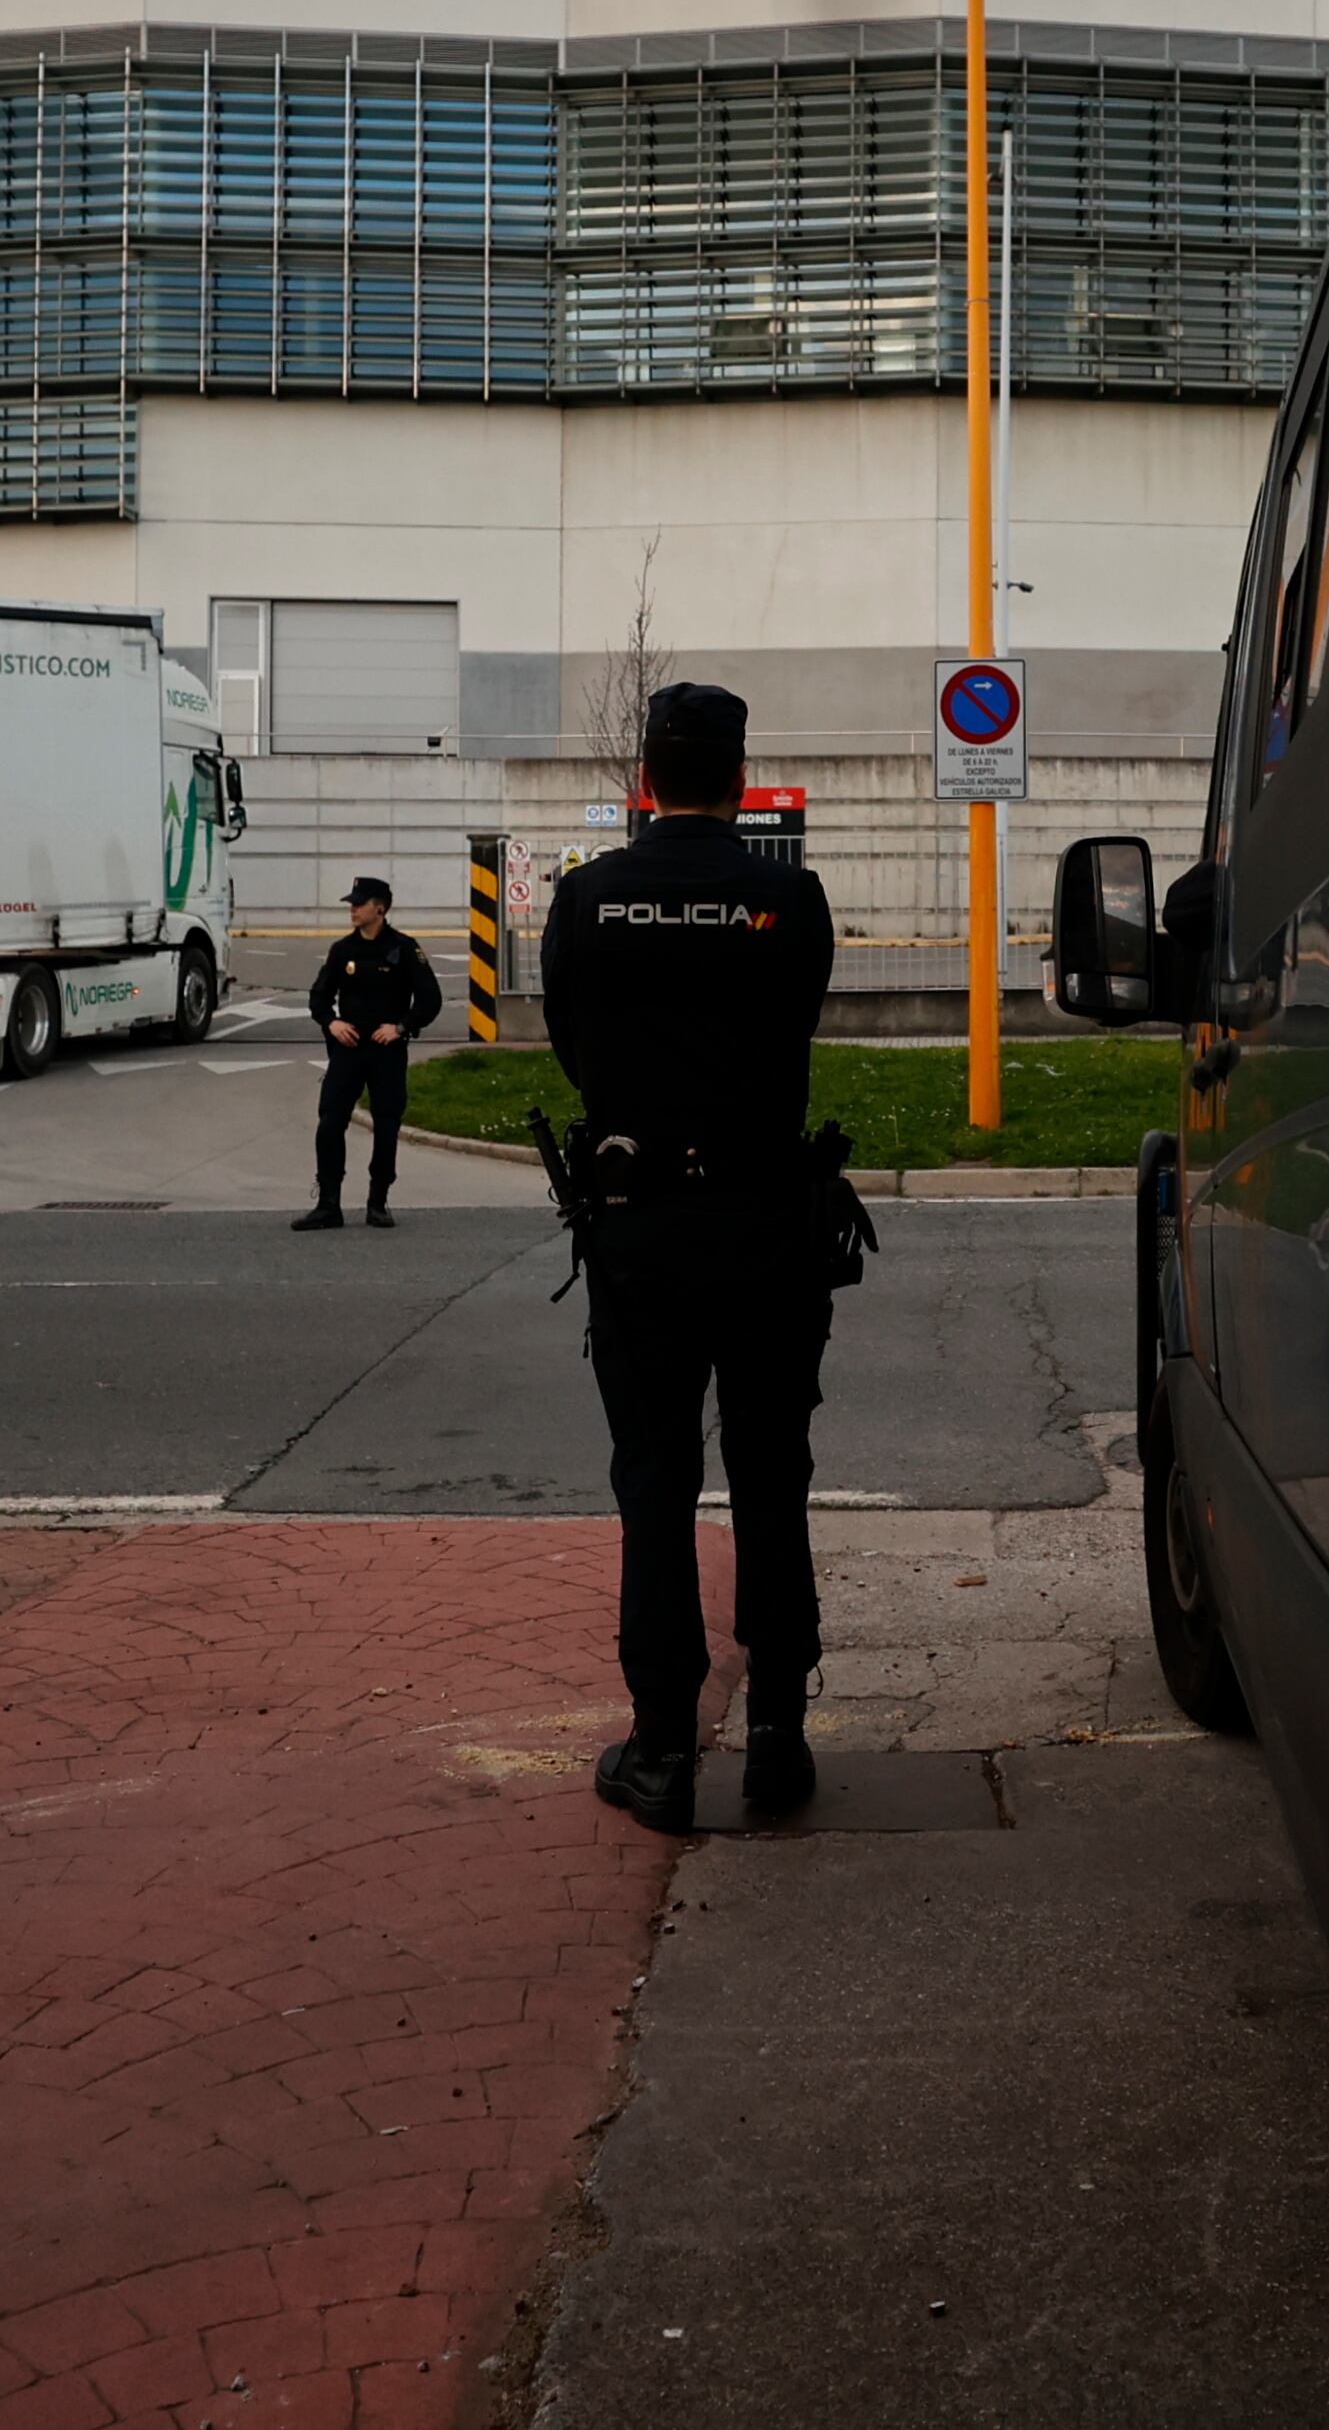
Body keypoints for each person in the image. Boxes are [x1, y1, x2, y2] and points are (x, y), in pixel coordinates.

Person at [547, 682, 838, 1832]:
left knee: (655, 1483)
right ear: (738, 773)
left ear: (647, 778)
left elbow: (577, 1047)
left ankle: (663, 1746)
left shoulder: (588, 899)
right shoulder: (787, 898)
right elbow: (795, 1027)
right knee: (773, 1473)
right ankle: (775, 1735)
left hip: (640, 1235)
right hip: (768, 1226)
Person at [296, 876, 442, 1231]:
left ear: (380, 908)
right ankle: (329, 1203)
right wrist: (331, 1022)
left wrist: (402, 1027)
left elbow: (430, 999)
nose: (352, 909)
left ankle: (378, 1201)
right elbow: (319, 997)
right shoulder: (342, 950)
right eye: (352, 903)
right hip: (348, 1051)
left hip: (386, 1052)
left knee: (387, 1125)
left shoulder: (404, 949)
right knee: (330, 1123)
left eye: (359, 903)